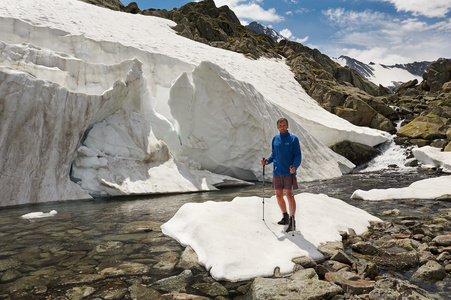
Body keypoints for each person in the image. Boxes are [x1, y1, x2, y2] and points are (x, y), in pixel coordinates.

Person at [261, 118, 302, 232]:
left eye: (284, 125)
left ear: (287, 126)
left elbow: (298, 156)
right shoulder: (275, 139)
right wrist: (267, 162)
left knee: (290, 197)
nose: (282, 127)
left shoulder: (293, 139)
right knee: (279, 196)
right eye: (280, 125)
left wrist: (294, 166)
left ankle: (293, 221)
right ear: (277, 127)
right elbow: (274, 155)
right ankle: (285, 217)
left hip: (289, 172)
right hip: (277, 172)